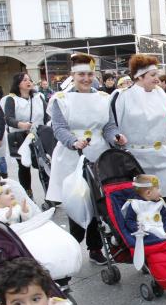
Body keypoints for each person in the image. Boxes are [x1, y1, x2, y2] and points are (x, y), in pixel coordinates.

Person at [45, 53, 127, 265]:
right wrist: (73, 142)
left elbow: (108, 126)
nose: (86, 78)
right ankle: (71, 245)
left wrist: (115, 137)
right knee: (78, 202)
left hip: (99, 153)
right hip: (72, 156)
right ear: (73, 75)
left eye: (90, 74)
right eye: (81, 74)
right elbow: (59, 128)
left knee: (98, 201)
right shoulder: (61, 100)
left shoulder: (102, 98)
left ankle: (95, 247)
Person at [114, 54, 166, 206]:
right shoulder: (123, 97)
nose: (157, 79)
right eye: (153, 75)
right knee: (141, 200)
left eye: (157, 74)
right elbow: (114, 125)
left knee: (162, 197)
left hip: (161, 156)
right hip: (137, 159)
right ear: (140, 77)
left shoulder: (161, 94)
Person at [3, 73, 48, 197]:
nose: (28, 82)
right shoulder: (11, 99)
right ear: (18, 84)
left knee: (42, 164)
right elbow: (8, 118)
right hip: (20, 136)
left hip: (38, 134)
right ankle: (28, 193)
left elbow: (46, 115)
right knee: (24, 166)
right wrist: (21, 124)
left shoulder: (38, 97)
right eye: (24, 80)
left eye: (29, 79)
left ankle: (49, 193)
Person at [122, 174, 166, 241]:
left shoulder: (158, 203)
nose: (160, 192)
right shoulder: (135, 204)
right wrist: (136, 229)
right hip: (145, 232)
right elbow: (129, 220)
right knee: (148, 238)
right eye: (157, 189)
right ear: (148, 193)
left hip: (161, 227)